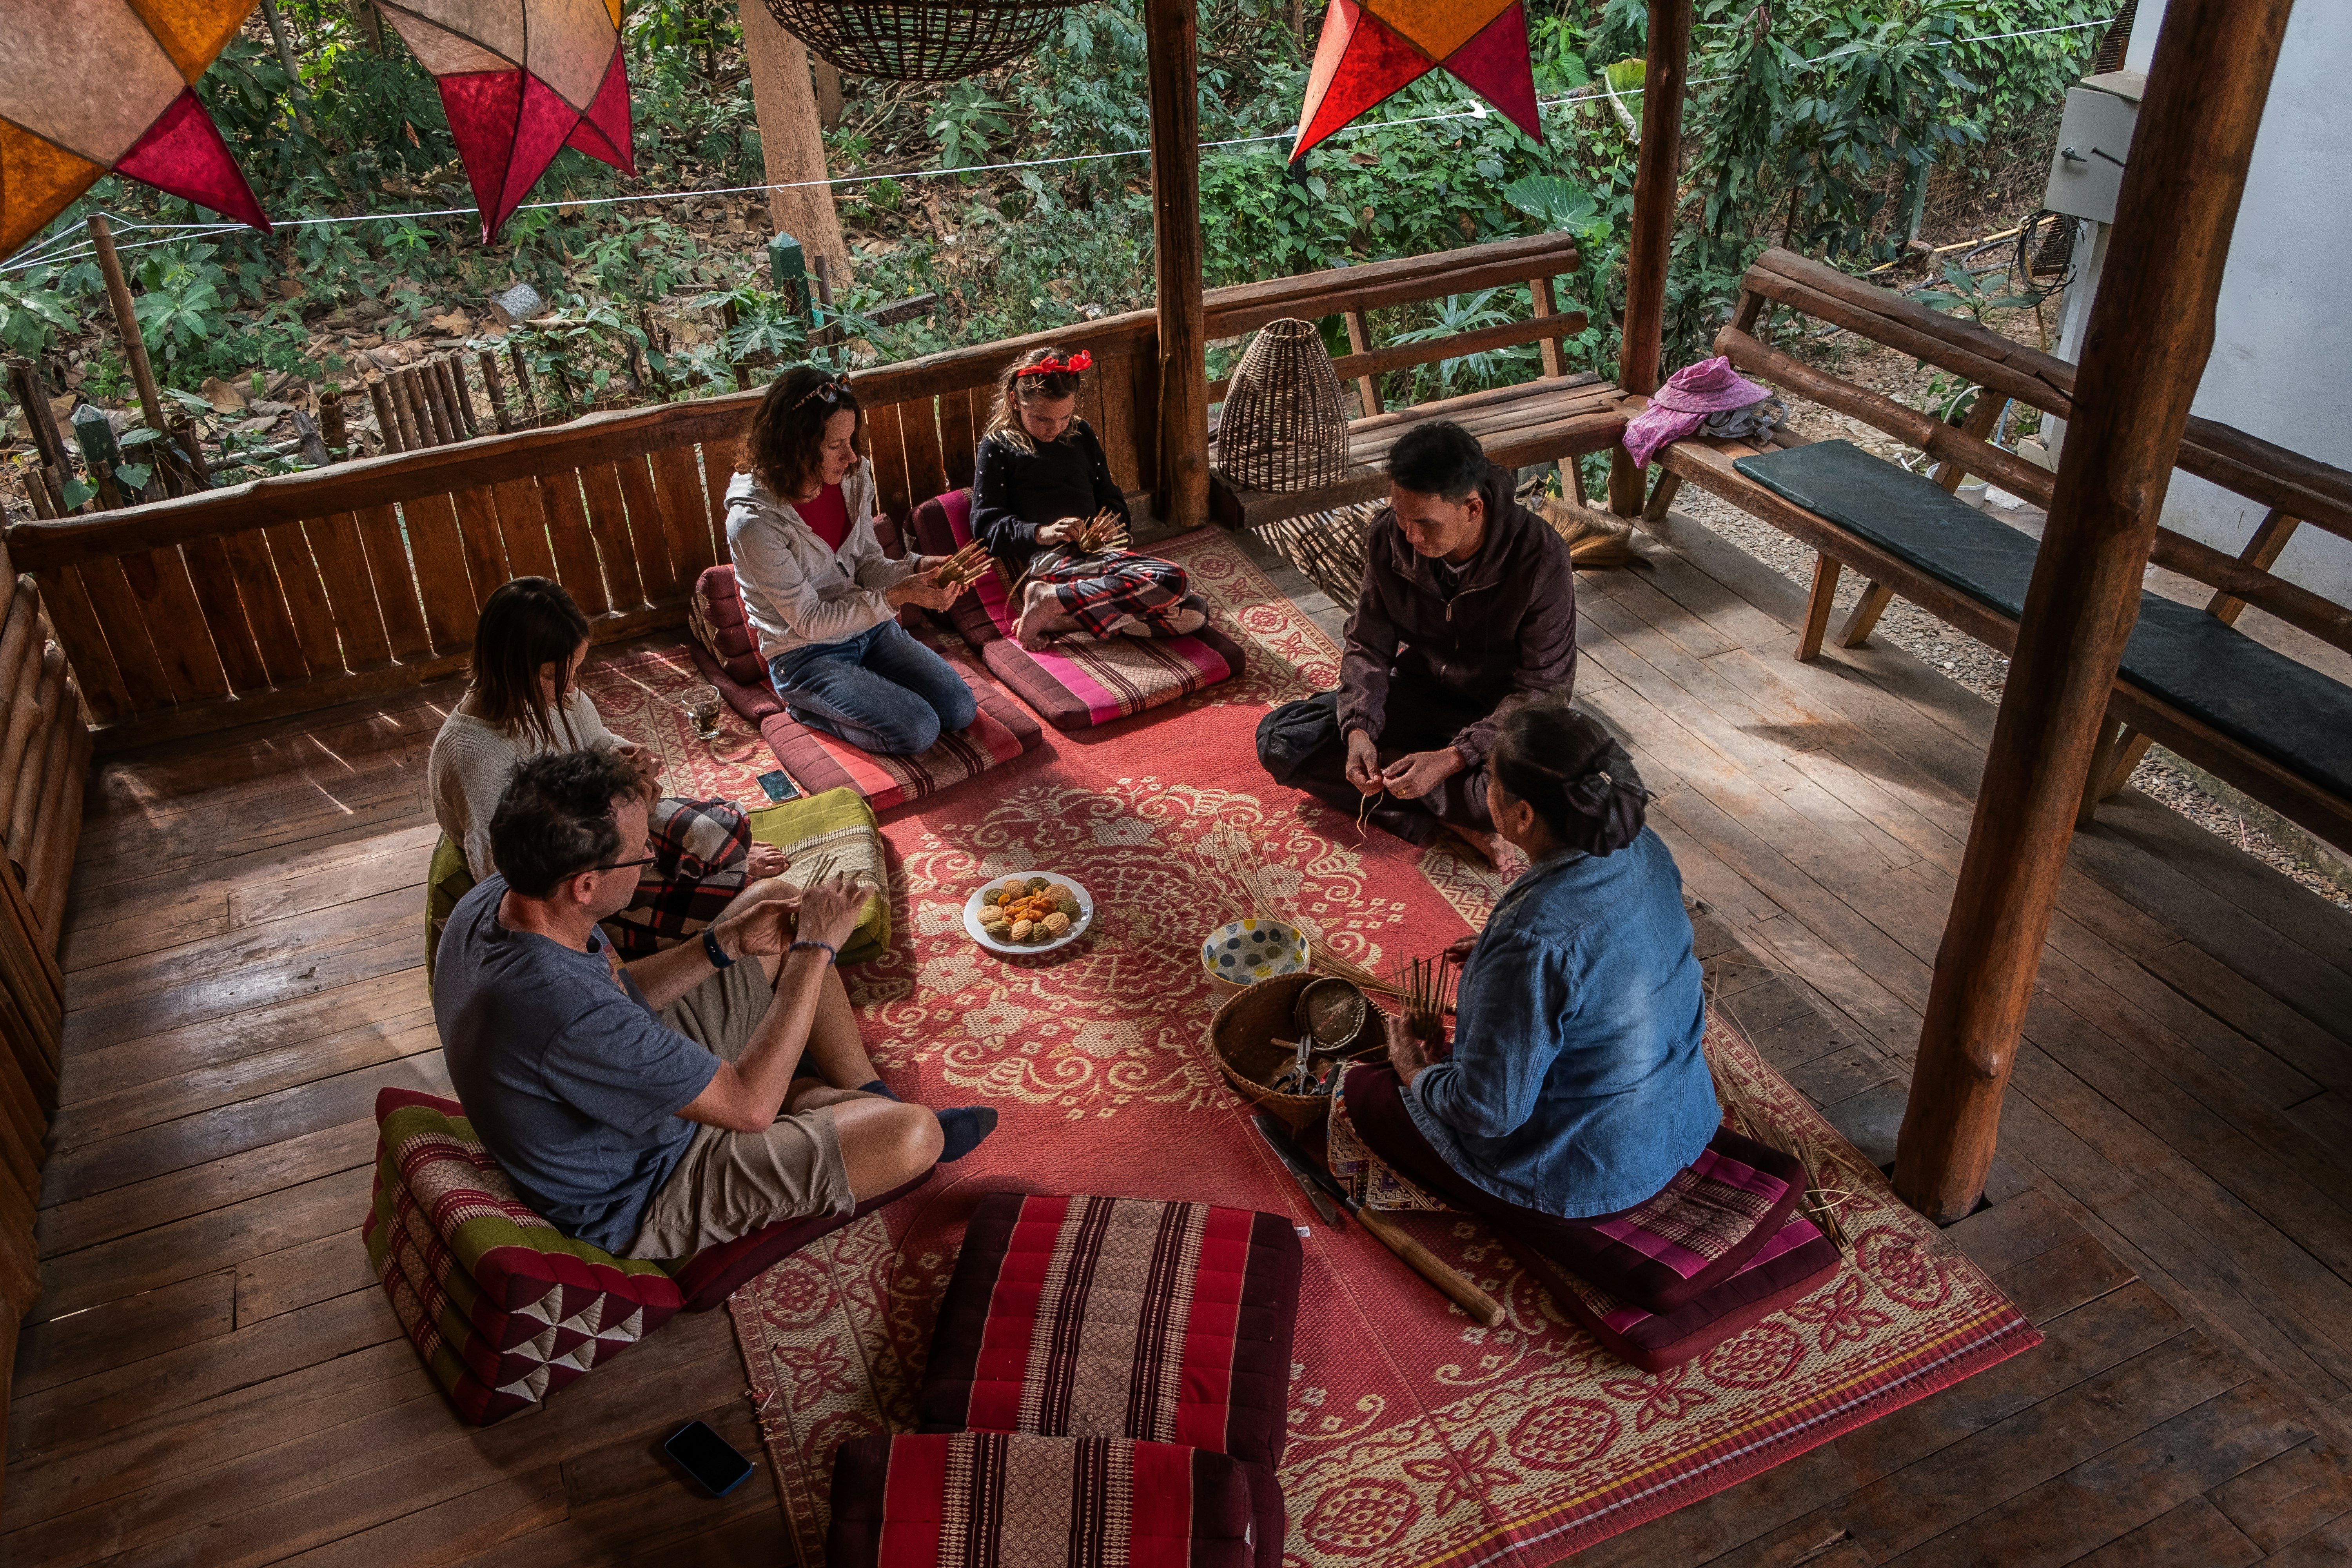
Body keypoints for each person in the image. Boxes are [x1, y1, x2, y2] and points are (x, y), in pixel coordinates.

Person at [436, 749, 998, 1259]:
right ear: (585, 884)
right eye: (639, 856)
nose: (651, 857)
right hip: (649, 1184)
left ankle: (859, 1092)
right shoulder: (564, 1007)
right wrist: (814, 950)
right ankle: (822, 1100)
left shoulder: (502, 897)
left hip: (621, 1090)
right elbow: (749, 1107)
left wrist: (722, 943)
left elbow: (621, 993)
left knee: (779, 900)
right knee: (913, 1136)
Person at [1341, 698, 1716, 1237]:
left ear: (1521, 816)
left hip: (1590, 1176)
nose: (1484, 788)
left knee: (1366, 1094)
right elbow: (1619, 946)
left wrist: (1415, 1072)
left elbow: (1489, 1113)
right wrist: (1509, 957)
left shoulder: (1532, 943)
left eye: (1489, 779)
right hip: (1683, 1118)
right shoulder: (1639, 842)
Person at [1256, 419, 1577, 863]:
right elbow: (1369, 643)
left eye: (1425, 524)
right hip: (1422, 691)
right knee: (1281, 739)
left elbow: (1543, 692)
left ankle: (1428, 793)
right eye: (1402, 518)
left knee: (1535, 793)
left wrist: (1453, 757)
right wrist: (1358, 730)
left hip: (1496, 716)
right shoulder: (1391, 535)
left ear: (1473, 508)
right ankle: (1449, 816)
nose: (1410, 536)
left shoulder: (1541, 557)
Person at [426, 576, 785, 956]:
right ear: (507, 667)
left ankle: (693, 879)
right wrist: (621, 850)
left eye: (573, 671)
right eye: (553, 676)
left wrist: (627, 760)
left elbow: (597, 743)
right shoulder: (471, 755)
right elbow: (506, 880)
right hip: (571, 876)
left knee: (726, 832)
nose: (568, 689)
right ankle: (702, 897)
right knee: (727, 885)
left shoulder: (554, 699)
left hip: (603, 827)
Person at [725, 365, 978, 756]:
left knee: (960, 709)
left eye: (851, 438)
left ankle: (865, 692)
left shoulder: (853, 477)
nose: (851, 455)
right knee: (919, 730)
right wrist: (894, 599)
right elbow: (808, 622)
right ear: (795, 445)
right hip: (805, 653)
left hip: (872, 630)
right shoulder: (753, 521)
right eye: (834, 445)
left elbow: (867, 566)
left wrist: (917, 568)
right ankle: (805, 707)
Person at [968, 346, 1209, 650]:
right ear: (1015, 401)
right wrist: (1041, 533)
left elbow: (1111, 499)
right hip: (1053, 563)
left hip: (1097, 557)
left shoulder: (1081, 433)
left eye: (1064, 417)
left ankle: (1061, 616)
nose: (1054, 429)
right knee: (1172, 579)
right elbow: (985, 527)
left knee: (1195, 612)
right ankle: (1048, 596)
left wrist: (1108, 525)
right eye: (1042, 419)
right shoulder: (998, 446)